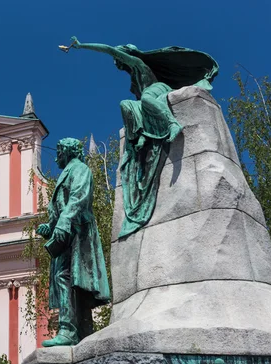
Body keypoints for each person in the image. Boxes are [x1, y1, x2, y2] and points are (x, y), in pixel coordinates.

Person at [60, 37, 218, 237]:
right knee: (125, 105)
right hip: (145, 104)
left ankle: (172, 123)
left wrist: (82, 46)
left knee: (146, 98)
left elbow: (108, 49)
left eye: (118, 60)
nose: (117, 63)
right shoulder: (133, 75)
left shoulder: (138, 64)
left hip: (158, 91)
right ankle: (141, 135)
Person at [36, 137, 110, 347]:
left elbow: (79, 197)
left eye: (59, 151)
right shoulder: (67, 172)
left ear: (68, 152)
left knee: (66, 277)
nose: (57, 155)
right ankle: (84, 332)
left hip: (78, 232)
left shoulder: (79, 169)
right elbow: (62, 206)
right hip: (68, 233)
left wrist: (63, 222)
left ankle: (68, 331)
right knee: (76, 282)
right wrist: (50, 227)